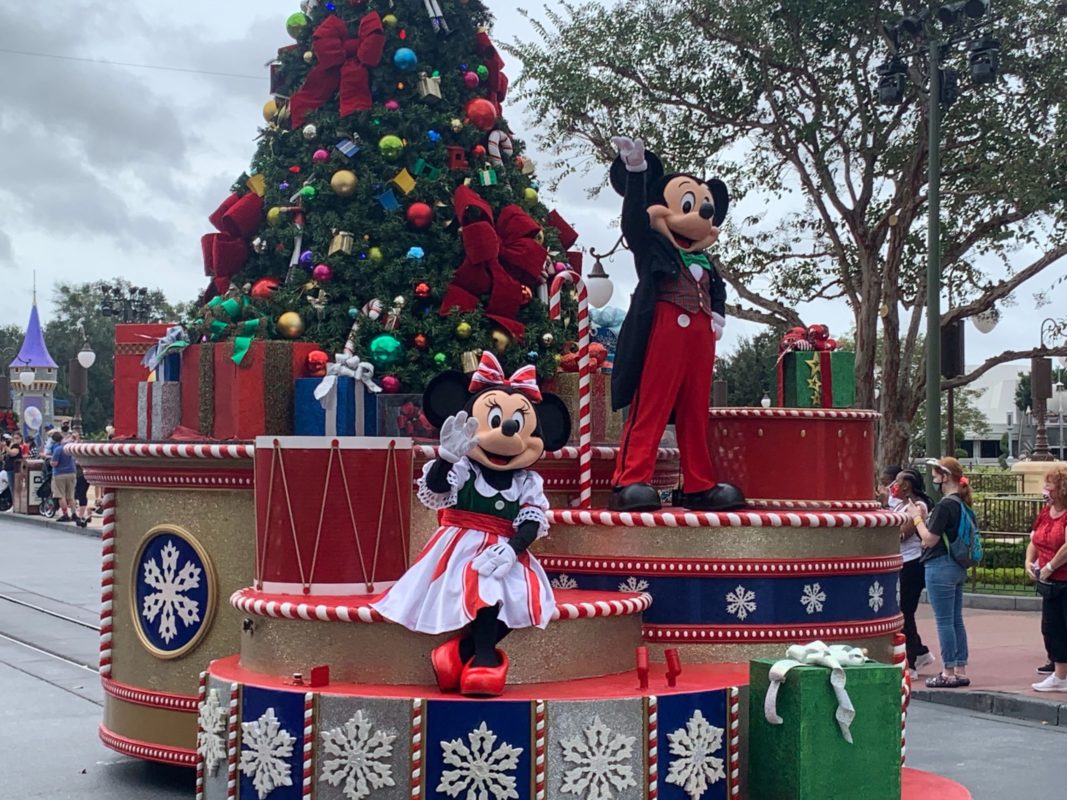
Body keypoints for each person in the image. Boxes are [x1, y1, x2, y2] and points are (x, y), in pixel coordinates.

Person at [906, 456, 972, 688]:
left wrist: (916, 518)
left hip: (940, 566)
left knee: (944, 621)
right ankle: (960, 668)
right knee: (955, 619)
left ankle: (948, 671)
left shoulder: (945, 505)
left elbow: (928, 539)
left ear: (945, 477)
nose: (934, 480)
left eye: (935, 476)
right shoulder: (961, 503)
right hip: (956, 565)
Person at [1024, 466, 1067, 692]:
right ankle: (1059, 676)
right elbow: (1034, 539)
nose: (1045, 491)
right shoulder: (1044, 513)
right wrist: (1029, 562)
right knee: (1052, 629)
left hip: (1064, 578)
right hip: (1050, 584)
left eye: (1049, 486)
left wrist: (1050, 566)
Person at [893, 468, 936, 678]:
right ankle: (919, 651)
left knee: (905, 612)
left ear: (907, 485)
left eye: (897, 482)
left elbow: (904, 533)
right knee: (904, 611)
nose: (894, 485)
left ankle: (911, 659)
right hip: (903, 563)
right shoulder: (900, 505)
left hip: (913, 563)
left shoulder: (918, 506)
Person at [48, 430, 78, 523]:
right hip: (72, 472)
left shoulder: (58, 449)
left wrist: (50, 461)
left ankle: (65, 514)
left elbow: (55, 463)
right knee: (71, 495)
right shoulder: (70, 447)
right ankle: (74, 514)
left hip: (59, 474)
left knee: (61, 495)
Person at [2, 433, 23, 509]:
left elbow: (12, 453)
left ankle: (15, 505)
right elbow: (3, 458)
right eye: (14, 438)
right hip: (8, 469)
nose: (15, 439)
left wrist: (5, 446)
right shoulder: (9, 446)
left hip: (14, 469)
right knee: (11, 487)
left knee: (14, 487)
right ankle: (14, 504)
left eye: (17, 438)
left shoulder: (16, 446)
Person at [74, 463, 91, 529]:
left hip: (82, 475)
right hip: (80, 475)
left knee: (81, 494)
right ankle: (84, 513)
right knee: (79, 494)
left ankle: (81, 515)